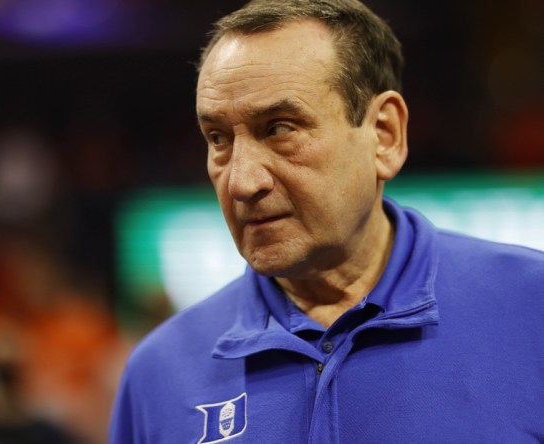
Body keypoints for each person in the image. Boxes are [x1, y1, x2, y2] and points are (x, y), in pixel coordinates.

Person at [108, 0, 544, 442]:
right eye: (218, 138)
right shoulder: (158, 375)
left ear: (384, 135)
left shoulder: (532, 308)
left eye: (279, 129)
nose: (241, 181)